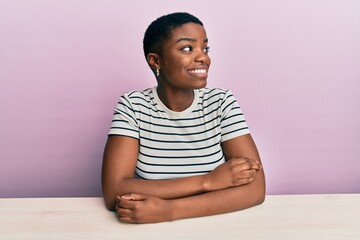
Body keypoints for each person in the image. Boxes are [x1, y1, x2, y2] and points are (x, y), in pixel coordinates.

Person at [101, 12, 265, 224]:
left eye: (205, 49)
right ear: (155, 61)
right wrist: (209, 181)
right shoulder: (133, 106)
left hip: (217, 225)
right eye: (187, 48)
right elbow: (114, 190)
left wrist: (169, 210)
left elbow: (256, 189)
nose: (203, 57)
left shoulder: (221, 102)